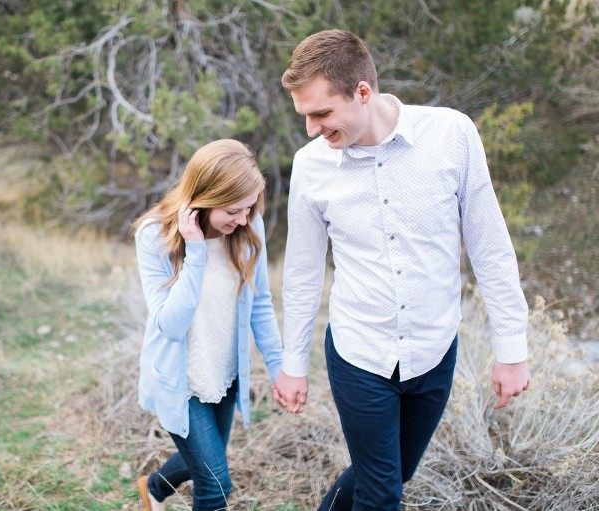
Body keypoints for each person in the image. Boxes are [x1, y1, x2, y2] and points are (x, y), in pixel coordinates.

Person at [272, 30, 532, 511]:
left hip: (434, 349)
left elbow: (489, 245)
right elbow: (303, 273)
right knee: (382, 491)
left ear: (363, 93)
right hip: (358, 353)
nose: (311, 129)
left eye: (321, 113)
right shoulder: (310, 167)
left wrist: (511, 347)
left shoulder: (452, 135)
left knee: (394, 470)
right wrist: (293, 364)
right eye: (305, 115)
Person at [133, 139, 283, 511]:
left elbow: (260, 302)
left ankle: (153, 488)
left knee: (203, 455)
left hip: (226, 372)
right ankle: (156, 488)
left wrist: (280, 368)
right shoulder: (154, 236)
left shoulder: (249, 230)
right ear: (203, 196)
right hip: (182, 379)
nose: (243, 219)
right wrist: (196, 250)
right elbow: (169, 324)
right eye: (233, 210)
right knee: (216, 482)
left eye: (249, 208)